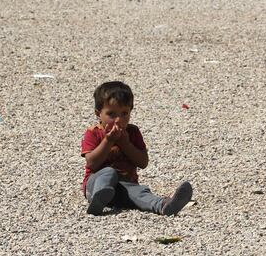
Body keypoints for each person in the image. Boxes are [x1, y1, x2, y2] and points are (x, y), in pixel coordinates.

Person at [80, 81, 193, 216]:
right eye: (111, 114)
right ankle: (98, 199)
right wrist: (108, 141)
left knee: (140, 193)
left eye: (124, 113)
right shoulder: (93, 133)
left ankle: (164, 205)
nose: (118, 120)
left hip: (125, 186)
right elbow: (92, 163)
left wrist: (126, 144)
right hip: (95, 184)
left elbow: (143, 162)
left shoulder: (132, 132)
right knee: (109, 173)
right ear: (98, 114)